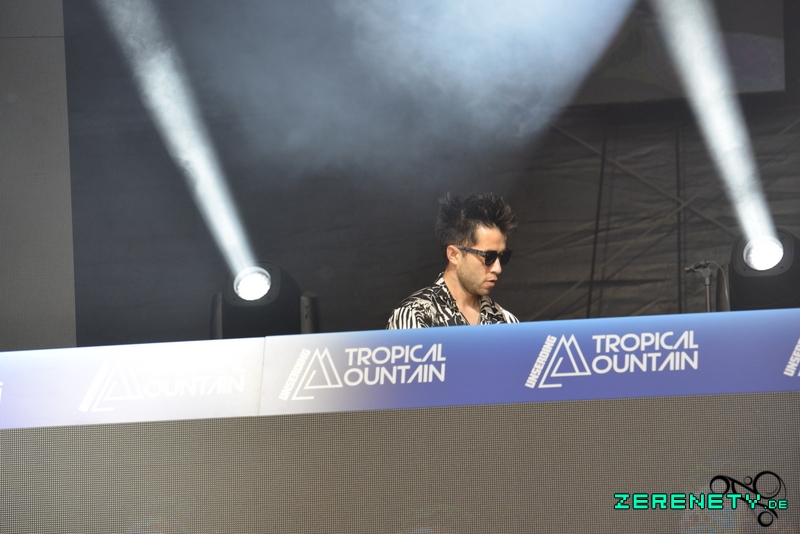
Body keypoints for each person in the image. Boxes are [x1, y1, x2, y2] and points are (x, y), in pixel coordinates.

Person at [387, 193, 519, 329]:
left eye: (503, 256)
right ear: (454, 254)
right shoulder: (416, 314)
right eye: (489, 256)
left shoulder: (506, 322)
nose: (498, 268)